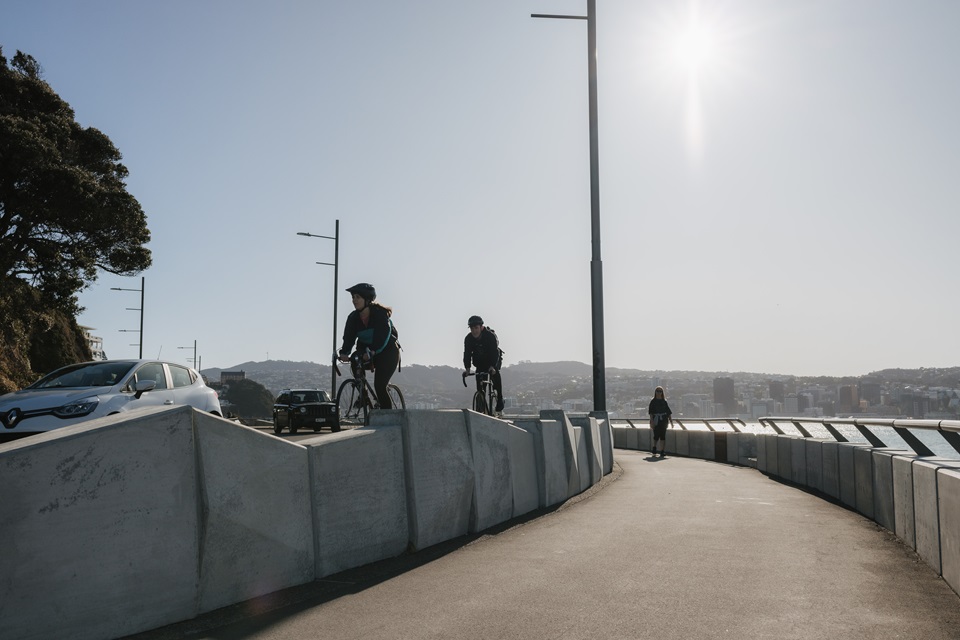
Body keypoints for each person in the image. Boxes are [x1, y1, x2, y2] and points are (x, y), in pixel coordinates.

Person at [338, 283, 400, 409]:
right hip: (368, 352)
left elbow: (381, 338)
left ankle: (388, 416)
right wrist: (344, 353)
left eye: (357, 297)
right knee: (355, 359)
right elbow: (349, 337)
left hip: (388, 352)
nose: (354, 300)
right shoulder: (353, 318)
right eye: (353, 297)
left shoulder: (380, 314)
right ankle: (363, 395)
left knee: (380, 386)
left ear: (367, 299)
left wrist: (372, 351)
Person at [462, 315, 504, 414]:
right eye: (472, 328)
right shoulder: (468, 339)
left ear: (481, 327)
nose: (474, 331)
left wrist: (493, 366)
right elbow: (467, 353)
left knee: (494, 373)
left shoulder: (490, 336)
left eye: (476, 328)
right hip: (480, 362)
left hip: (493, 360)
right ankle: (481, 405)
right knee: (480, 386)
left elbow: (495, 352)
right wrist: (467, 369)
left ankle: (500, 398)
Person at [648, 386, 673, 458]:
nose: (659, 392)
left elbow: (668, 412)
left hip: (664, 420)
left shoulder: (664, 401)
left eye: (660, 391)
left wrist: (671, 421)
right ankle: (654, 447)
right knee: (656, 435)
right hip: (656, 420)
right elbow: (651, 413)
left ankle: (662, 451)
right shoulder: (653, 401)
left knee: (663, 436)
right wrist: (652, 421)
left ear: (662, 393)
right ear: (655, 392)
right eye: (657, 391)